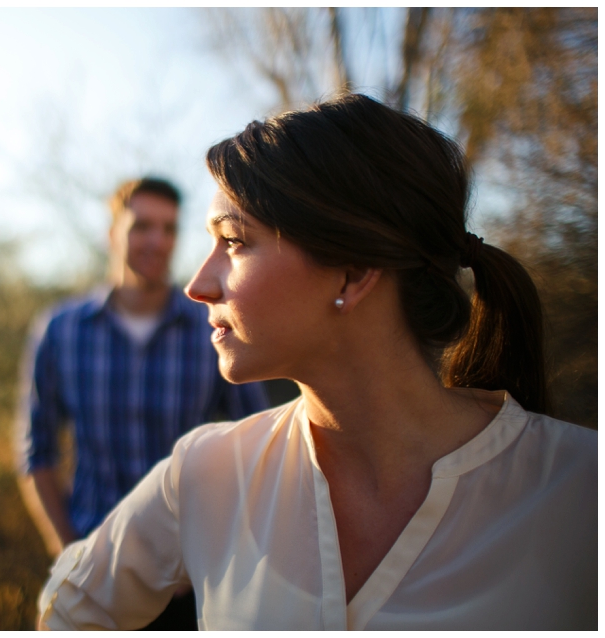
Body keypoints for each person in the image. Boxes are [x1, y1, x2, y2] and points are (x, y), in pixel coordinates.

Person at [35, 95, 597, 630]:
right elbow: (71, 611)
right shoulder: (205, 473)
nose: (198, 285)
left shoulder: (582, 491)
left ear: (352, 274)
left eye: (233, 241)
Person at [17, 176, 269, 630]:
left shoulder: (214, 329)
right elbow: (37, 453)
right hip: (90, 573)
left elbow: (259, 446)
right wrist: (68, 551)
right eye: (142, 226)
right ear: (112, 233)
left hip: (188, 582)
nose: (158, 240)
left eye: (169, 229)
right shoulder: (59, 330)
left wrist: (210, 550)